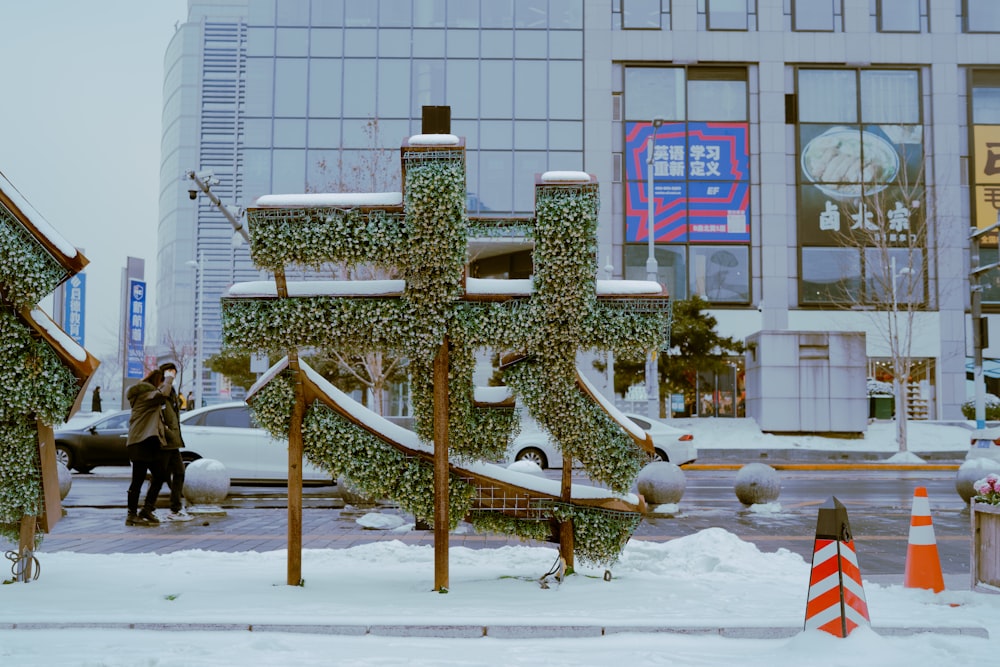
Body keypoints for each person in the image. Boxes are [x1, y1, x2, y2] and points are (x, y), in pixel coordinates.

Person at [125, 369, 172, 526]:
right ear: (157, 381)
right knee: (137, 480)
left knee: (160, 475)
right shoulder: (146, 395)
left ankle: (147, 509)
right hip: (140, 442)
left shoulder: (149, 396)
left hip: (149, 442)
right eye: (160, 381)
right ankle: (131, 515)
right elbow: (163, 393)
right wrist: (169, 378)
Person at [159, 362, 192, 521]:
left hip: (172, 440)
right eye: (170, 371)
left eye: (174, 372)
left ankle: (175, 507)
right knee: (160, 476)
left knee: (178, 472)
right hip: (165, 440)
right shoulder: (161, 388)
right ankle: (149, 508)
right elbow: (161, 401)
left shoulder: (171, 390)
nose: (172, 375)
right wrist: (167, 380)